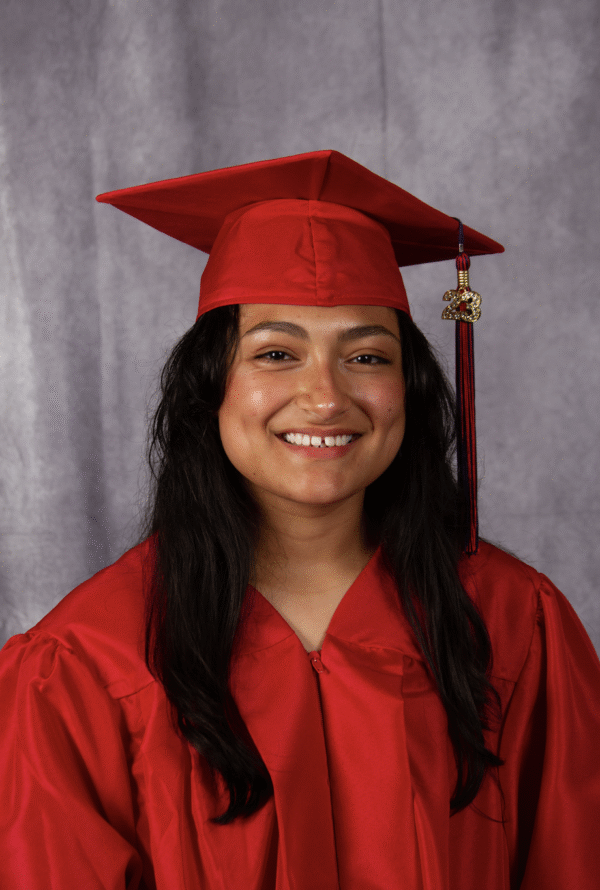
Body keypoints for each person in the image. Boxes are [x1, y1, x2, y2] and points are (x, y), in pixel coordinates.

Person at [1, 150, 599, 889]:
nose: (325, 397)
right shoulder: (85, 663)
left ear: (409, 389)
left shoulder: (515, 622)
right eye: (277, 353)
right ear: (210, 387)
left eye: (367, 356)